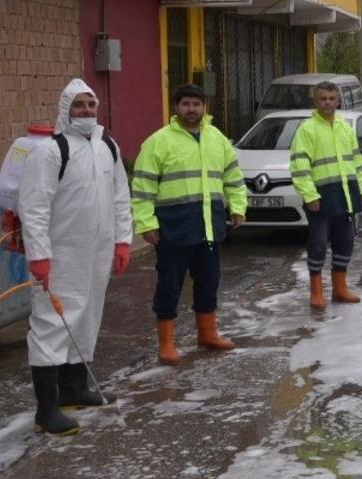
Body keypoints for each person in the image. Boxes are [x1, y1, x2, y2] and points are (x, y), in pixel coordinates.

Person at [18, 78, 133, 435]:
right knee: (52, 324)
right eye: (79, 105)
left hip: (95, 251)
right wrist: (39, 254)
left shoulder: (107, 147)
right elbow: (33, 205)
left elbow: (120, 197)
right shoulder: (50, 151)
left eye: (91, 104)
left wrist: (122, 241)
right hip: (60, 253)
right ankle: (46, 411)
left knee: (86, 317)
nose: (86, 111)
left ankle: (75, 388)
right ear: (65, 109)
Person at [131, 84, 247, 365]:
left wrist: (238, 206)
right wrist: (146, 223)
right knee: (169, 285)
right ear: (176, 107)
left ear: (205, 106)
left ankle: (207, 334)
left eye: (196, 104)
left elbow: (233, 176)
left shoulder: (217, 139)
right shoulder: (158, 142)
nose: (191, 109)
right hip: (173, 229)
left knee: (209, 282)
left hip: (209, 226)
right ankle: (167, 344)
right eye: (186, 104)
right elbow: (143, 187)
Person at [290, 81, 362, 307]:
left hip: (346, 193)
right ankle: (316, 292)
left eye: (331, 98)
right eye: (323, 98)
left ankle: (340, 288)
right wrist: (309, 195)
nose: (327, 102)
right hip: (321, 196)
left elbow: (357, 161)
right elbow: (299, 165)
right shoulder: (307, 129)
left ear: (338, 100)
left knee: (345, 242)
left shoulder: (345, 127)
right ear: (315, 101)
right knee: (317, 243)